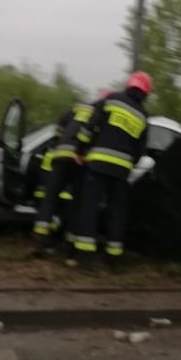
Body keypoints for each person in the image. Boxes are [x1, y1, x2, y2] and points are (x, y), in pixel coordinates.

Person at [69, 72, 151, 267]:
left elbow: (90, 126)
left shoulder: (111, 100)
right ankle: (114, 258)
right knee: (117, 211)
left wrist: (80, 150)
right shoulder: (143, 116)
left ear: (128, 85)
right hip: (122, 170)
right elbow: (140, 150)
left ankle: (85, 256)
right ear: (146, 93)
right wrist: (128, 163)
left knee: (90, 208)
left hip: (97, 164)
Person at [30, 97, 98, 256]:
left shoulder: (76, 108)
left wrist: (57, 144)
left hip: (60, 155)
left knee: (50, 198)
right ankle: (69, 245)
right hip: (79, 159)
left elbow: (59, 129)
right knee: (76, 203)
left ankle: (39, 240)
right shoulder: (99, 114)